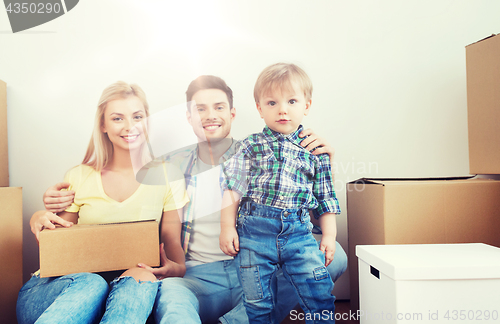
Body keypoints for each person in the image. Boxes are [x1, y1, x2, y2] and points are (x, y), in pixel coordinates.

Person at [43, 75, 347, 324]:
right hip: (195, 274)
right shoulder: (169, 167)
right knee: (174, 307)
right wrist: (48, 207)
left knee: (336, 258)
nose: (210, 116)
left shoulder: (266, 155)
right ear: (188, 117)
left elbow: (309, 214)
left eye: (218, 107)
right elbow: (118, 203)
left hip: (255, 267)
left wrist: (322, 161)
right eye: (200, 109)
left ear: (233, 113)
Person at [17, 81, 189, 324]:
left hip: (119, 295)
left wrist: (176, 268)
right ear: (103, 124)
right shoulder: (78, 176)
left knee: (142, 278)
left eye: (137, 116)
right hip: (55, 296)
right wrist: (39, 219)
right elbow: (59, 250)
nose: (130, 126)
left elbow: (172, 244)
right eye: (118, 118)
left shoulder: (167, 176)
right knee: (92, 282)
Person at [219, 63, 339, 323]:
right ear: (260, 109)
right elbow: (233, 190)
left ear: (306, 105)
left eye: (292, 101)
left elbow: (325, 197)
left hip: (298, 233)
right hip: (254, 233)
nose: (282, 109)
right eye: (272, 103)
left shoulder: (315, 149)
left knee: (319, 295)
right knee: (257, 301)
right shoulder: (250, 146)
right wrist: (227, 227)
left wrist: (329, 234)